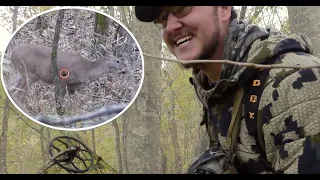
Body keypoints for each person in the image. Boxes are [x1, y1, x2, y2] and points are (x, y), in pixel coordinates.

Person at [134, 6, 320, 174]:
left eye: (182, 8)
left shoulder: (293, 81)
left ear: (223, 9)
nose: (170, 26)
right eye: (162, 19)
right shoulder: (216, 84)